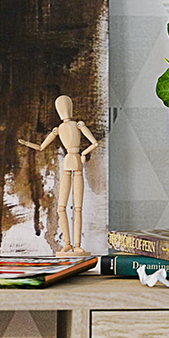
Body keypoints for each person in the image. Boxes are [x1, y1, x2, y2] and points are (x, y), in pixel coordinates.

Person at [19, 95, 98, 255]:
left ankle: (77, 245)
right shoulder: (58, 129)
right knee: (61, 206)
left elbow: (94, 143)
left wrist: (83, 154)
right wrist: (27, 144)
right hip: (68, 162)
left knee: (78, 207)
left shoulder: (78, 125)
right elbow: (41, 147)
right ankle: (67, 243)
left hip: (76, 161)